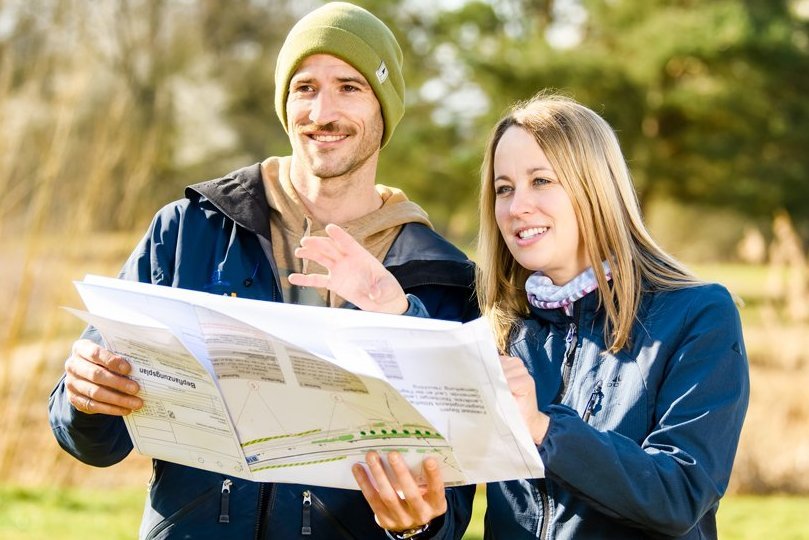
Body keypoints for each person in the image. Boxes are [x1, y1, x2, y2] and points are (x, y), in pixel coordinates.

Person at [47, 3, 477, 539]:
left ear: (385, 107)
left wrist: (418, 527)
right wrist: (83, 398)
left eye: (349, 86)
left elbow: (453, 507)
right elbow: (93, 442)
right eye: (304, 87)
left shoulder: (446, 279)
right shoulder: (186, 231)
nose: (323, 111)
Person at [475, 93, 750, 538]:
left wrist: (544, 430)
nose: (515, 206)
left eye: (541, 180)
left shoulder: (699, 315)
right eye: (504, 188)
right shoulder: (506, 329)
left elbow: (680, 492)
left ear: (594, 186)